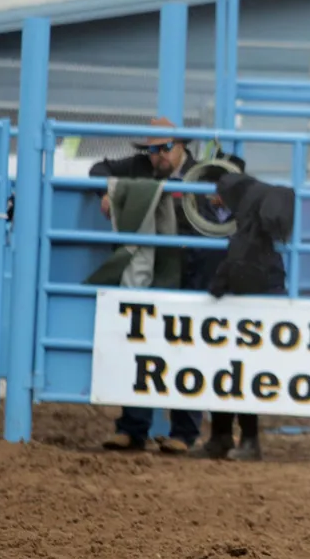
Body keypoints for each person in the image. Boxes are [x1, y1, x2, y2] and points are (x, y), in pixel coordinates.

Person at [91, 117, 242, 455]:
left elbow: (240, 185)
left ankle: (183, 433)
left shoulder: (208, 172)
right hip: (155, 270)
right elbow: (98, 169)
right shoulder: (142, 166)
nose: (156, 155)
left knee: (185, 348)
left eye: (163, 148)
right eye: (151, 149)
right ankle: (132, 428)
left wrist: (225, 195)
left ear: (180, 147)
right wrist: (108, 191)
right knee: (142, 343)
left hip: (194, 272)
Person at [195, 171, 295, 461]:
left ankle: (236, 437)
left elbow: (240, 259)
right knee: (242, 368)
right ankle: (232, 436)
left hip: (242, 297)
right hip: (260, 293)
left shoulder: (246, 222)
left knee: (233, 367)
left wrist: (219, 281)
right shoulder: (258, 213)